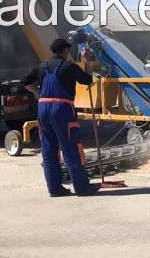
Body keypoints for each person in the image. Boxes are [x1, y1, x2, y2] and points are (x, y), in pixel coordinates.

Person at [22, 37, 97, 198]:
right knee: (70, 148)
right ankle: (82, 187)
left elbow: (25, 81)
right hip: (61, 108)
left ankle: (55, 188)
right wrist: (86, 61)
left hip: (43, 108)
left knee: (49, 150)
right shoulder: (69, 66)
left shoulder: (41, 66)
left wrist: (36, 92)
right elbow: (87, 80)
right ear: (66, 51)